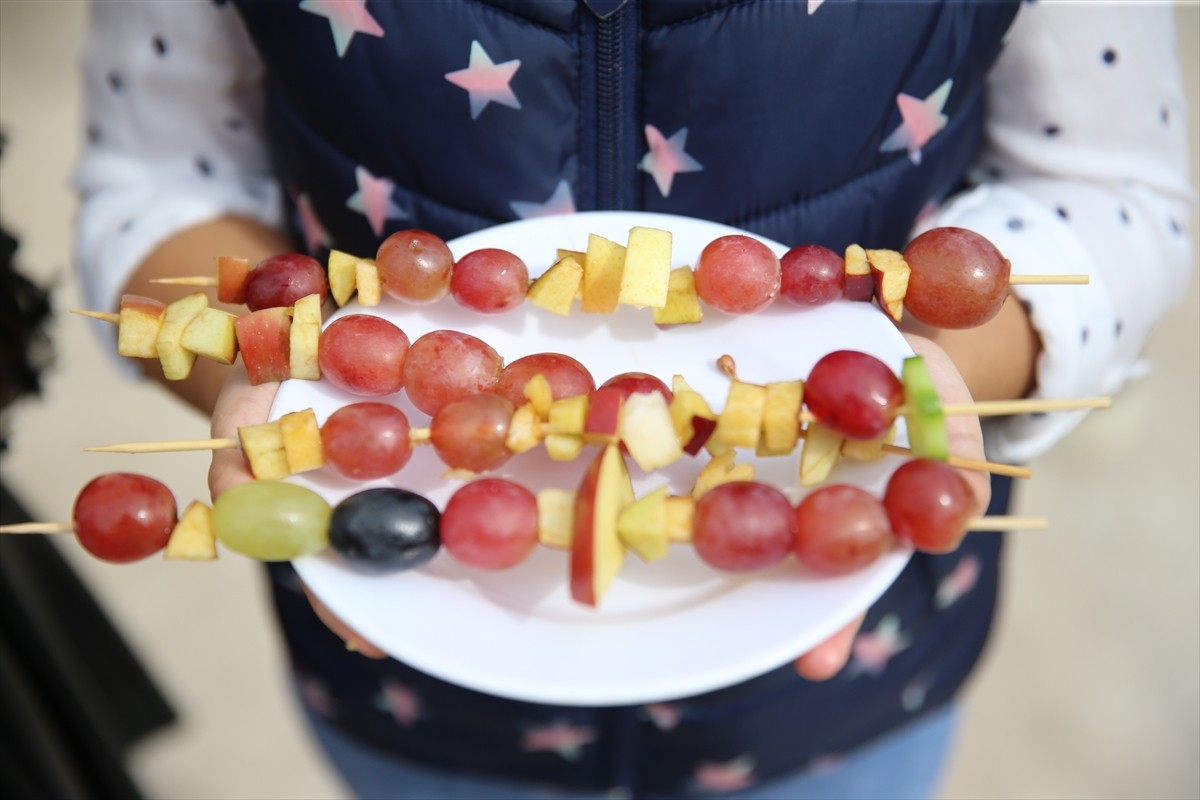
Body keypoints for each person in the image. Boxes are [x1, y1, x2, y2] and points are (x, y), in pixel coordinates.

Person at [73, 1, 1194, 798]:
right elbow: (155, 177)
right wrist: (261, 379)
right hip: (413, 678)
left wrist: (940, 373)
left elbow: (1117, 195)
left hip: (850, 683)